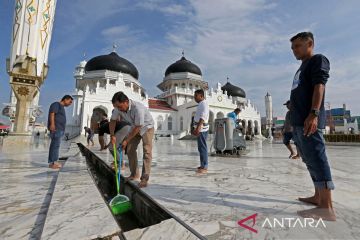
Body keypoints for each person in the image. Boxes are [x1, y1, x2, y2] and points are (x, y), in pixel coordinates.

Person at [289, 32, 335, 221]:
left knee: (317, 158)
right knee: (309, 161)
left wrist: (314, 113)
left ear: (310, 44)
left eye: (298, 46)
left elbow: (319, 86)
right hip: (299, 122)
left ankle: (327, 208)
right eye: (292, 48)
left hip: (309, 120)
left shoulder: (317, 60)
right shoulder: (302, 67)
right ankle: (318, 197)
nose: (294, 51)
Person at [110, 92, 154, 188]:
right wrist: (112, 135)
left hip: (147, 127)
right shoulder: (118, 108)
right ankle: (135, 174)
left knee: (147, 151)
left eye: (120, 107)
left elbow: (139, 126)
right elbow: (113, 120)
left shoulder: (138, 108)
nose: (119, 109)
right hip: (134, 127)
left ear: (126, 102)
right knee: (129, 149)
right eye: (117, 107)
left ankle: (144, 178)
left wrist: (126, 140)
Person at [47, 95, 73, 169]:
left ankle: (53, 162)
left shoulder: (61, 107)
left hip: (60, 129)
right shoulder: (56, 104)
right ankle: (53, 163)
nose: (70, 104)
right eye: (70, 102)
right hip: (56, 128)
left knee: (56, 145)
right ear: (65, 99)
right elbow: (52, 114)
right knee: (55, 145)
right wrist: (52, 124)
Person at [192, 89, 209, 174]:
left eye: (196, 96)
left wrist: (198, 128)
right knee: (200, 147)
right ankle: (202, 164)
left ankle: (205, 166)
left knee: (203, 147)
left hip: (202, 129)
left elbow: (203, 116)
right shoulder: (201, 104)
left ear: (201, 96)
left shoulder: (204, 104)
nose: (194, 98)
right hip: (200, 128)